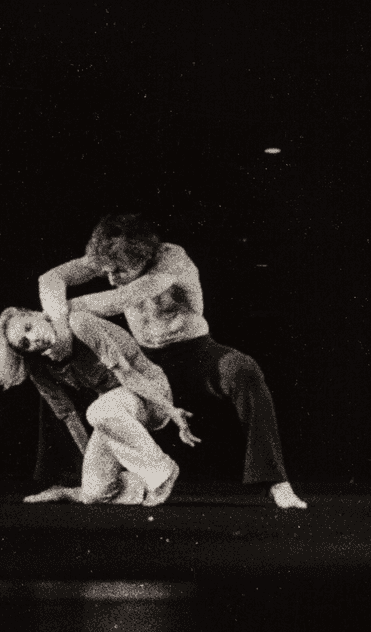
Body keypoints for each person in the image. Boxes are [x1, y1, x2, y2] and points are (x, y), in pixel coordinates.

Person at [38, 213, 308, 509]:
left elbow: (121, 299)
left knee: (245, 370)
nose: (112, 278)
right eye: (106, 272)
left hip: (195, 354)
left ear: (143, 257)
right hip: (145, 361)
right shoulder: (114, 255)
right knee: (60, 362)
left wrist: (56, 317)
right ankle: (68, 475)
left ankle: (277, 482)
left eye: (119, 271)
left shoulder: (172, 260)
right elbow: (50, 279)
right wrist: (61, 333)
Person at [0, 307, 196, 505]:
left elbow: (127, 374)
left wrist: (171, 410)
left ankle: (162, 473)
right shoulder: (39, 367)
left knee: (98, 411)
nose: (34, 338)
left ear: (37, 316)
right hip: (115, 414)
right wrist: (94, 468)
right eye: (26, 343)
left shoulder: (78, 323)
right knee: (96, 493)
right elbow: (69, 416)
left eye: (29, 327)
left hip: (151, 396)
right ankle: (135, 484)